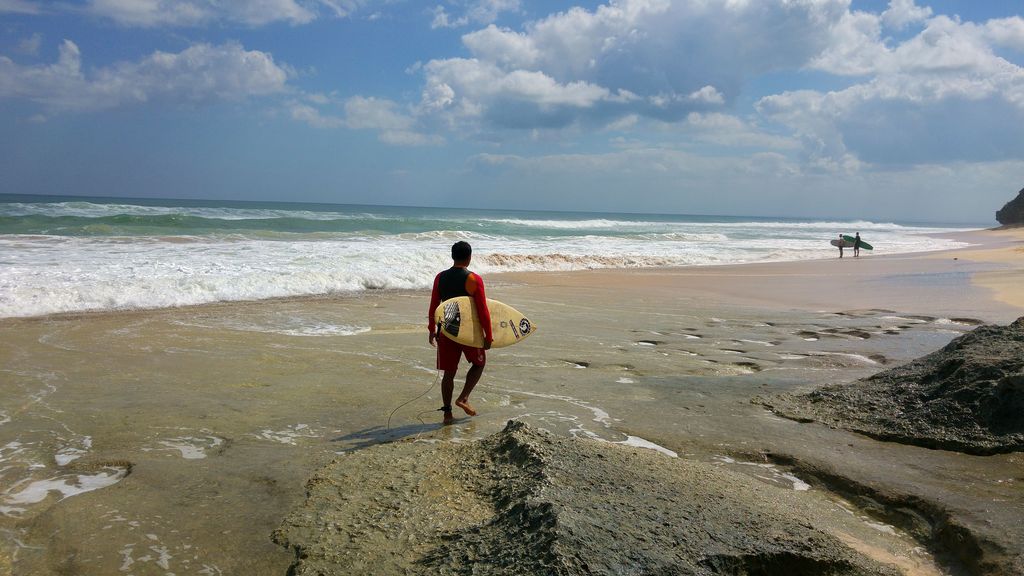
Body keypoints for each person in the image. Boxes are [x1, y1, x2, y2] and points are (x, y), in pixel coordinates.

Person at [428, 241, 493, 425]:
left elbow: (435, 305)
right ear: (469, 257)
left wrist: (431, 329)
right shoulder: (473, 279)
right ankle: (463, 398)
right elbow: (483, 310)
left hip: (447, 330)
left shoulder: (439, 277)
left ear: (452, 256)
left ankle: (447, 414)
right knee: (479, 364)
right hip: (467, 331)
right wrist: (488, 335)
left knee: (449, 373)